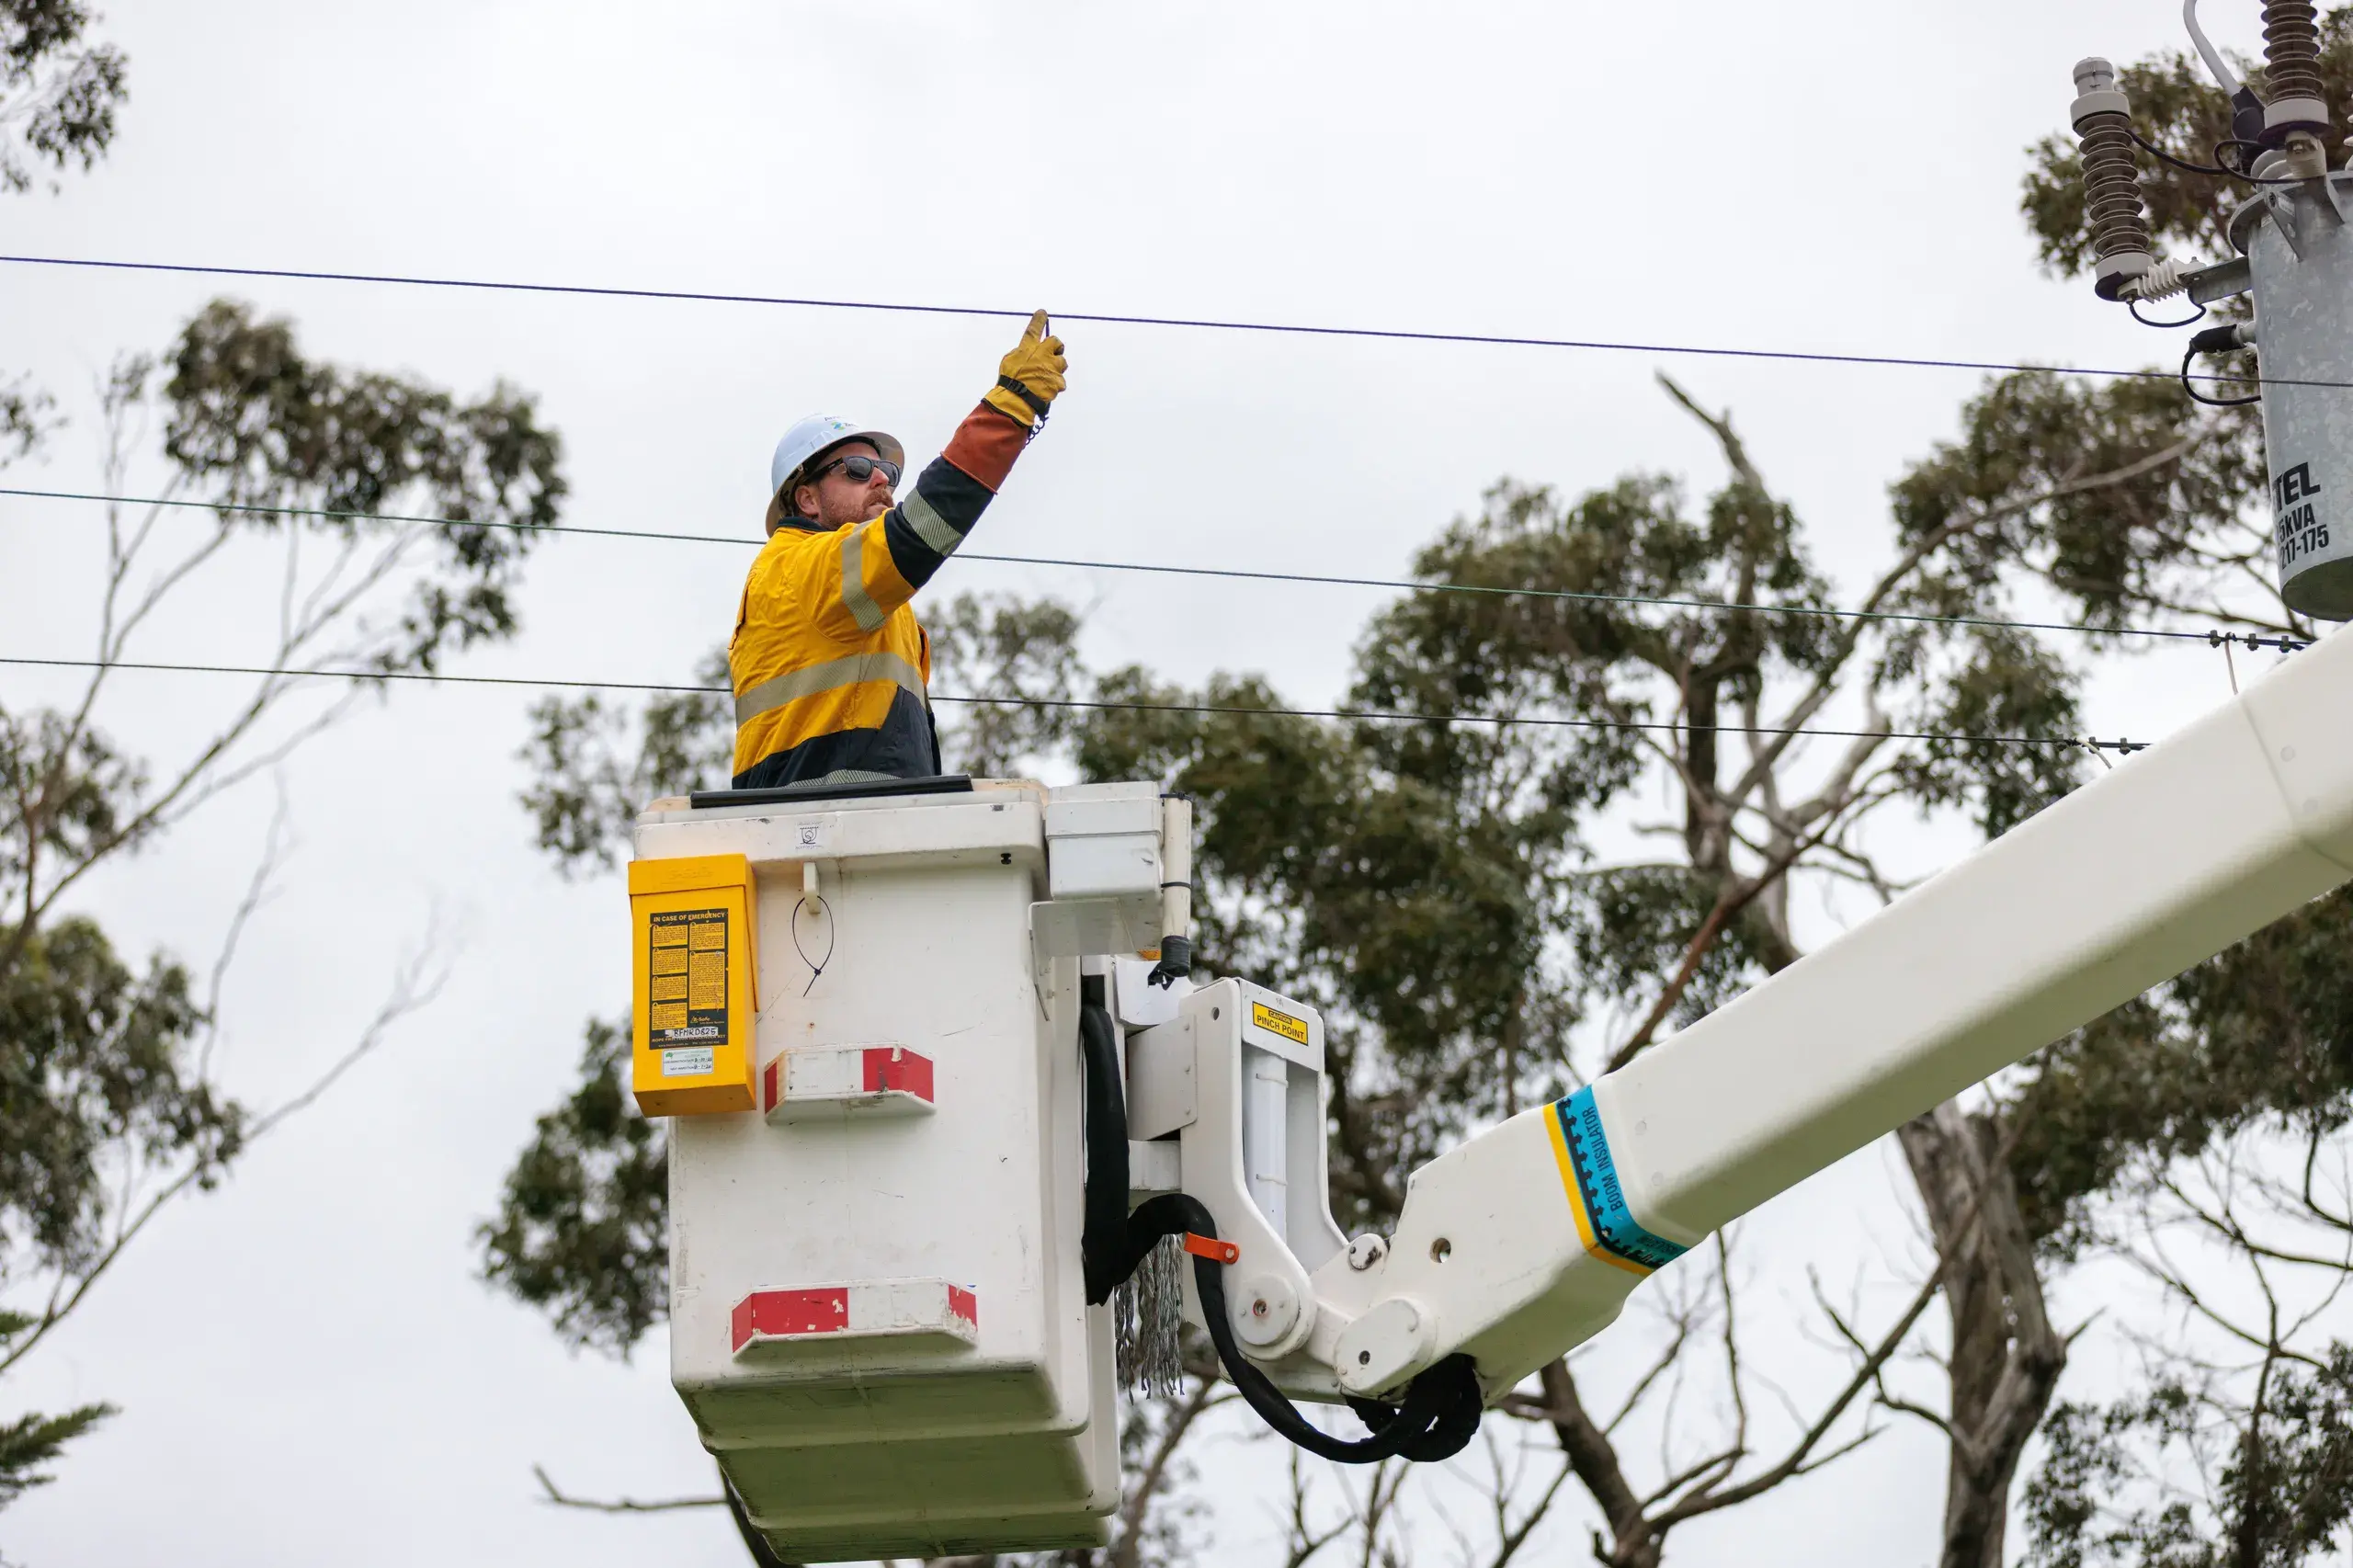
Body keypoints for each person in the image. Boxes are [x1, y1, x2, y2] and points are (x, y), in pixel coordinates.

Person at [729, 312, 1067, 790]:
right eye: (857, 467)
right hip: (827, 831)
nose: (882, 478)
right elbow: (921, 528)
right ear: (806, 498)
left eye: (886, 470)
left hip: (850, 832)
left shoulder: (868, 601)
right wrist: (1012, 406)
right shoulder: (799, 567)